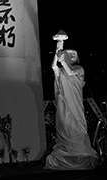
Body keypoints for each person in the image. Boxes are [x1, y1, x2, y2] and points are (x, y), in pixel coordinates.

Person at [44, 33, 98, 170]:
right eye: (70, 53)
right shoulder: (61, 70)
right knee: (64, 127)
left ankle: (79, 154)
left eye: (75, 54)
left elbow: (71, 74)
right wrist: (59, 46)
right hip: (63, 105)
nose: (72, 55)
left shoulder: (79, 69)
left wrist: (62, 60)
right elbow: (53, 67)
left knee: (77, 130)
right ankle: (66, 154)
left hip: (75, 106)